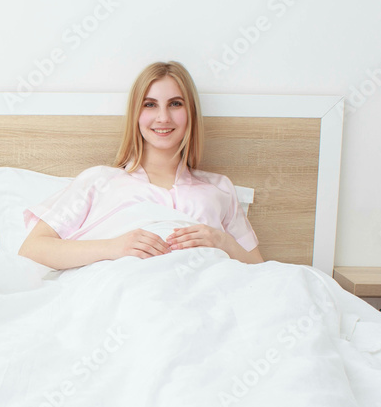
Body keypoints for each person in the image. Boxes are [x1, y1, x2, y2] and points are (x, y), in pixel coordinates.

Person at [17, 61, 264, 270]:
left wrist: (223, 241)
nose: (163, 117)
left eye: (175, 104)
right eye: (150, 104)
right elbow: (33, 248)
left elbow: (260, 269)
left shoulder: (219, 188)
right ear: (136, 113)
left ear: (191, 113)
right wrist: (115, 247)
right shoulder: (99, 181)